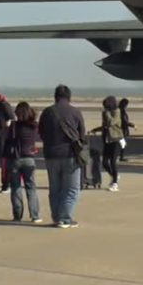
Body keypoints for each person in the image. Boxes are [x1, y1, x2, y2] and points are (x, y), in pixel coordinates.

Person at [39, 84, 85, 228]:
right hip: (69, 154)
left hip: (51, 154)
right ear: (69, 97)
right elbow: (82, 134)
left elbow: (41, 132)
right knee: (71, 188)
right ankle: (64, 218)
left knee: (55, 188)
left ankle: (57, 216)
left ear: (55, 96)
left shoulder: (47, 112)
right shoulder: (75, 112)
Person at [5, 102, 42, 223]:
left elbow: (8, 140)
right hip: (29, 158)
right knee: (31, 187)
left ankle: (17, 215)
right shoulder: (34, 125)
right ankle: (35, 215)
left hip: (15, 158)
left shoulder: (14, 126)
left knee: (16, 188)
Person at [98, 96, 123, 192]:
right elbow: (105, 125)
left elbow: (111, 122)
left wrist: (107, 113)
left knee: (113, 162)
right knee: (104, 162)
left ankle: (115, 184)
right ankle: (114, 176)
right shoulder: (105, 113)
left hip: (116, 139)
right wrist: (96, 130)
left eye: (106, 106)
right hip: (107, 140)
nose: (104, 107)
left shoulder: (117, 111)